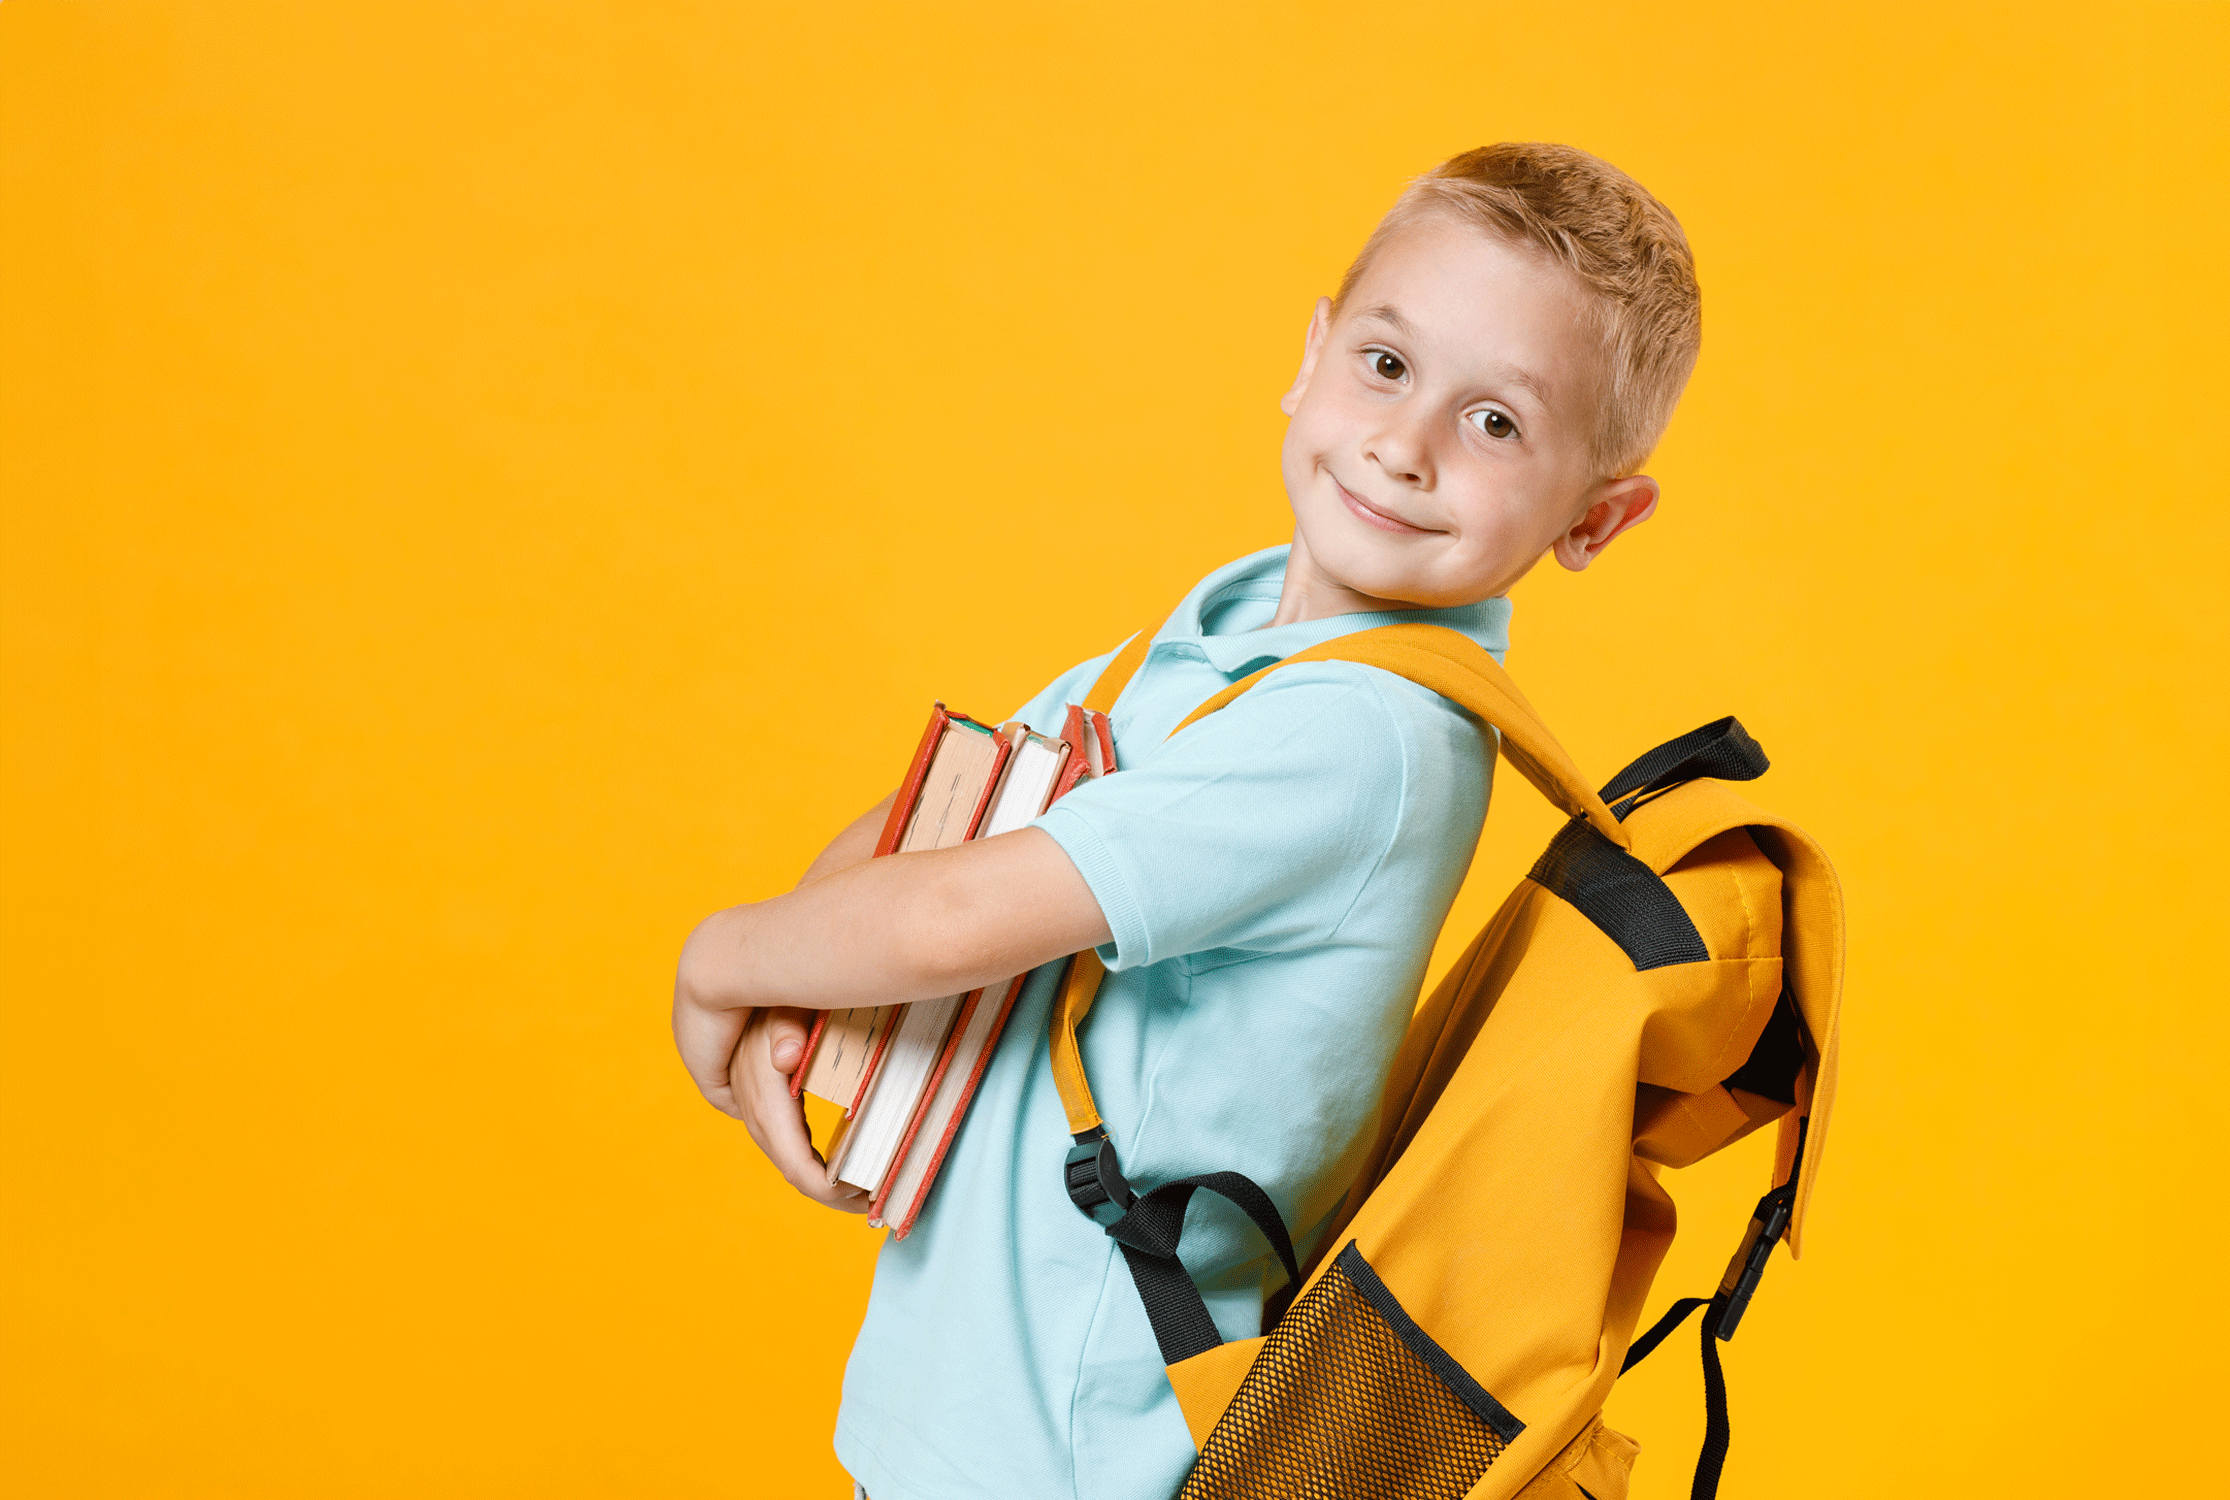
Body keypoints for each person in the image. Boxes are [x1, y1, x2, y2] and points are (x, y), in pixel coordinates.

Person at [672, 142, 1702, 1500]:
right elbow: (934, 836)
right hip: (962, 1409)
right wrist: (796, 1007)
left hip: (1081, 1451)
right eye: (1386, 364)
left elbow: (950, 915)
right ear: (1311, 356)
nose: (1403, 445)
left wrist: (721, 962)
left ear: (1597, 518)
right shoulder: (1216, 638)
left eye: (1496, 423)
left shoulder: (1367, 736)